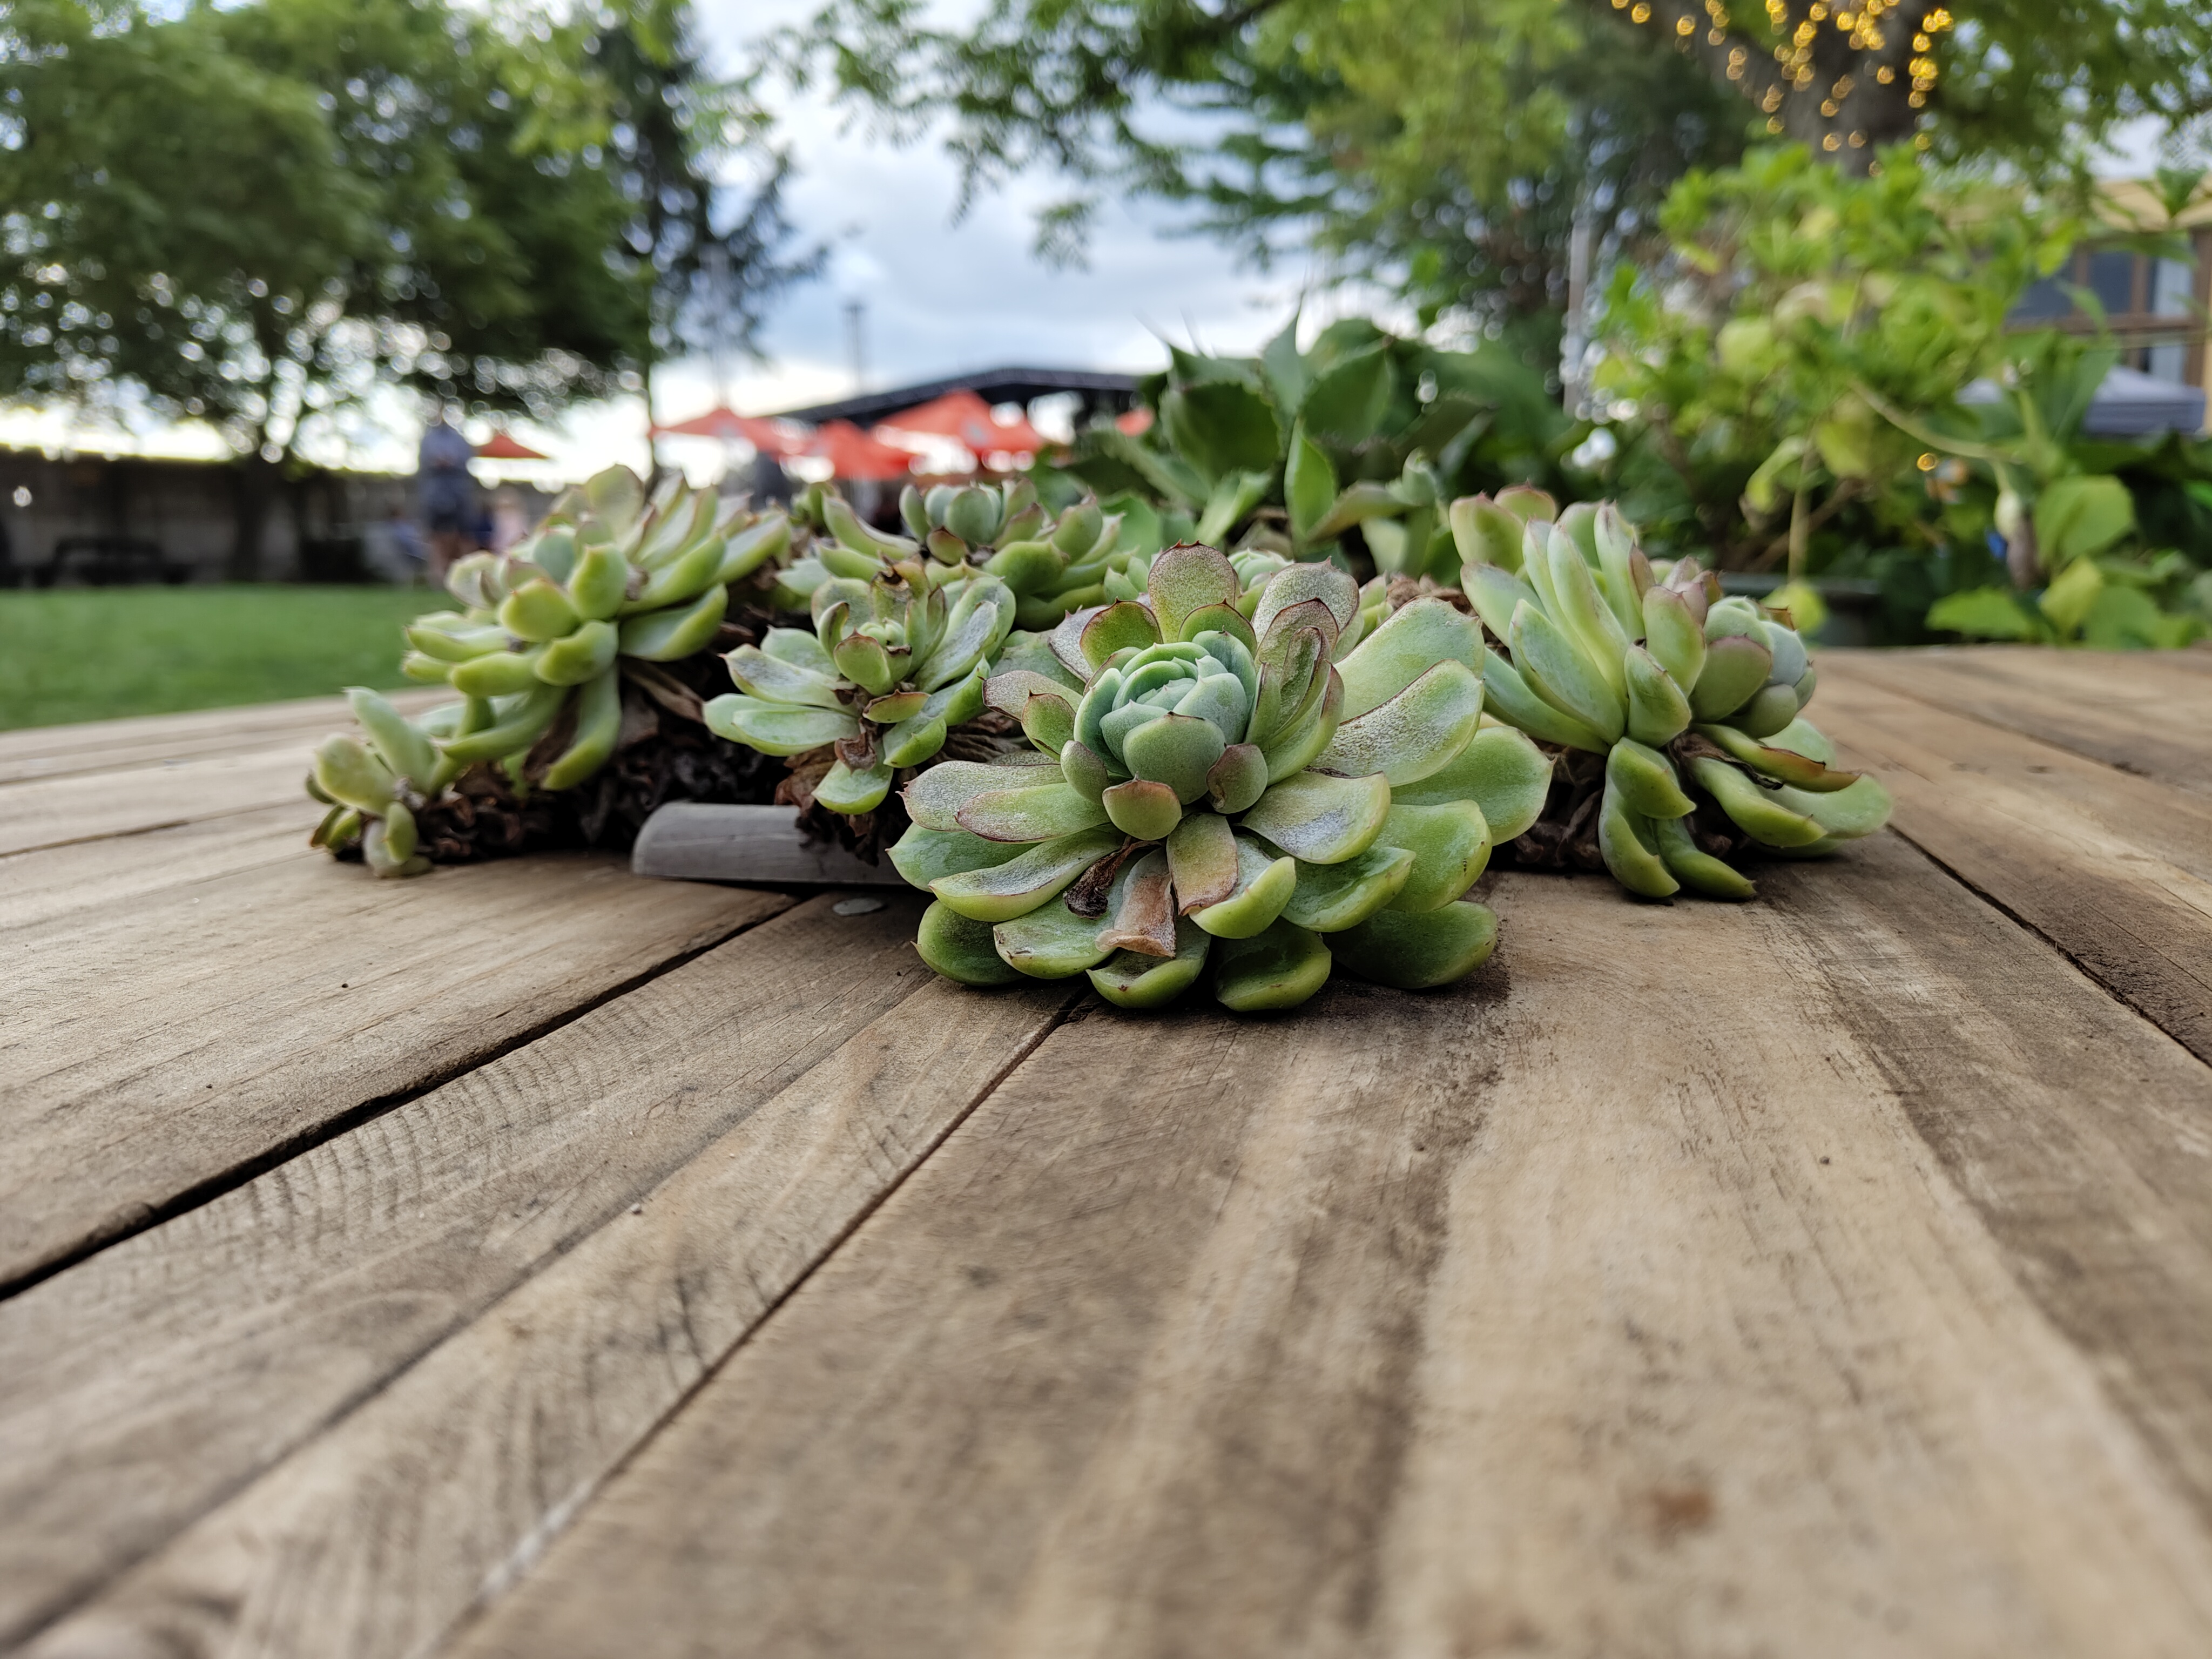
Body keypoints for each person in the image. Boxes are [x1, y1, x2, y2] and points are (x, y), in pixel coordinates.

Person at [416, 413, 477, 581]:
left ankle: (468, 575)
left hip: (458, 491)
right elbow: (422, 463)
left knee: (465, 535)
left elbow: (467, 460)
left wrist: (452, 461)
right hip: (434, 494)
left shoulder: (459, 439)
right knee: (435, 536)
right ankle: (437, 576)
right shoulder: (427, 439)